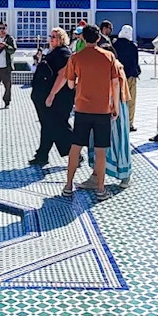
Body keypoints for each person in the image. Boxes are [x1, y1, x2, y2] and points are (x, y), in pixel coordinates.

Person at [46, 24, 120, 201]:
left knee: (75, 147)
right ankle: (100, 189)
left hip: (82, 109)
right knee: (101, 150)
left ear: (82, 38)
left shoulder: (76, 58)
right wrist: (115, 106)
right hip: (102, 110)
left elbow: (70, 83)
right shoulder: (109, 56)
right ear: (99, 38)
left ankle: (68, 186)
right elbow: (115, 83)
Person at [80, 51, 132, 189]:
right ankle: (96, 175)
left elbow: (117, 87)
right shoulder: (106, 66)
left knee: (116, 141)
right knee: (100, 142)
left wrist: (115, 107)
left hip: (114, 108)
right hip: (102, 108)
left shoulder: (115, 67)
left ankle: (124, 174)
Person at [29, 27, 75, 166]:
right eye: (51, 36)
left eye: (55, 36)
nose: (52, 38)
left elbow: (63, 75)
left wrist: (51, 95)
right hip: (44, 96)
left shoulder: (63, 53)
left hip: (58, 98)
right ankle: (42, 154)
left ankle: (74, 152)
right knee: (47, 125)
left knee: (58, 125)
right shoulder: (52, 52)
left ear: (62, 38)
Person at [113, 24, 140, 132]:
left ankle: (118, 120)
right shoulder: (133, 46)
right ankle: (129, 123)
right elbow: (135, 62)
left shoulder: (115, 44)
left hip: (118, 75)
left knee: (118, 99)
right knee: (131, 100)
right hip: (130, 76)